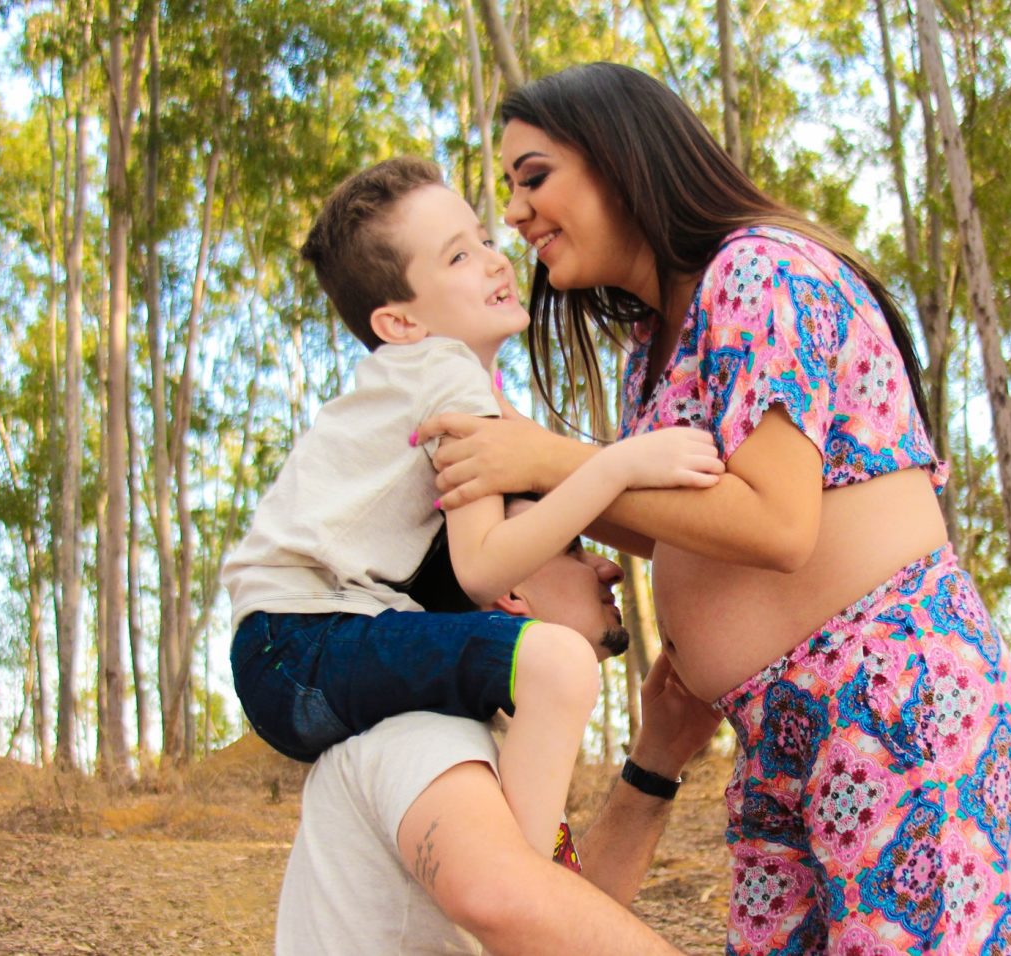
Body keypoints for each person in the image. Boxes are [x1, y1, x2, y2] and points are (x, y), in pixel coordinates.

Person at [417, 63, 1011, 955]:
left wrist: (557, 459)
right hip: (775, 733)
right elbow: (671, 521)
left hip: (891, 707)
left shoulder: (754, 271)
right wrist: (551, 474)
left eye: (534, 176)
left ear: (620, 157)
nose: (515, 213)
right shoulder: (648, 351)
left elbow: (778, 525)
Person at [224, 157, 723, 859]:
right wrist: (621, 464)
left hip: (291, 652)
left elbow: (537, 466)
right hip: (302, 640)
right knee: (552, 663)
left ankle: (530, 873)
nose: (495, 260)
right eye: (459, 255)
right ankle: (529, 892)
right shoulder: (443, 372)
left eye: (485, 239)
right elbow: (486, 566)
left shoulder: (442, 380)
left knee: (517, 674)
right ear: (399, 321)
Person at [277, 497, 722, 955]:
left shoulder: (494, 737)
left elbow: (561, 919)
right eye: (572, 550)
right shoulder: (423, 730)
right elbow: (503, 901)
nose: (610, 567)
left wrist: (659, 757)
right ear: (508, 590)